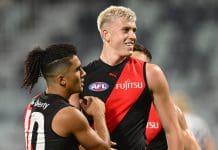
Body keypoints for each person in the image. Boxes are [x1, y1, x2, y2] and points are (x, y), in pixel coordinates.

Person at [80, 5, 183, 150]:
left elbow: (172, 130)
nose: (133, 36)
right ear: (106, 34)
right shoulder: (83, 76)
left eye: (134, 30)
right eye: (125, 30)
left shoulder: (151, 73)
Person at [22, 43, 111, 150]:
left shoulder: (33, 102)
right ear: (62, 80)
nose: (84, 73)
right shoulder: (69, 114)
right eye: (78, 69)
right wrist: (98, 114)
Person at [132, 43, 201, 150]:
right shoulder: (107, 108)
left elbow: (192, 147)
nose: (137, 73)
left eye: (143, 68)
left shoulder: (170, 113)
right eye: (131, 66)